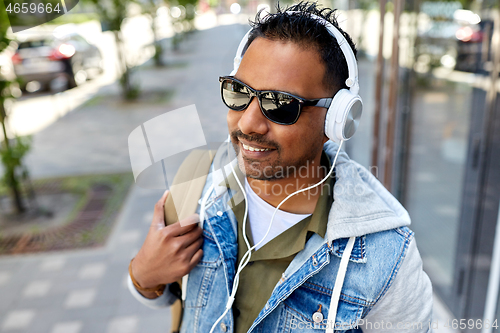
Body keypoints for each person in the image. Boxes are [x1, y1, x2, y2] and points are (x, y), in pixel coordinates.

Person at [128, 2, 433, 333]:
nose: (248, 122)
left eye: (280, 104)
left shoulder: (385, 256)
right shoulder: (197, 185)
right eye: (239, 91)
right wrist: (143, 276)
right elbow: (174, 298)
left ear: (337, 119)